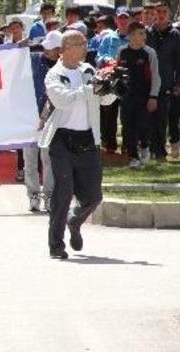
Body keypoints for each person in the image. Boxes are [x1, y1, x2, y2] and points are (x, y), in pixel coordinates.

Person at [40, 30, 116, 259]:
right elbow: (62, 100)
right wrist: (89, 89)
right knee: (63, 192)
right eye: (81, 43)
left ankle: (75, 221)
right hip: (61, 139)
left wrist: (111, 87)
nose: (85, 47)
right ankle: (56, 245)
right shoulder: (54, 74)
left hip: (87, 139)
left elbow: (104, 100)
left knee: (94, 197)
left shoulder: (88, 70)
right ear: (67, 48)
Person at [25, 31, 61, 212]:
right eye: (45, 46)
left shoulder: (64, 67)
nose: (46, 50)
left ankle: (48, 196)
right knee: (30, 160)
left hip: (53, 119)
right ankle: (32, 195)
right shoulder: (34, 59)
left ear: (60, 50)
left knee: (48, 159)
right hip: (30, 117)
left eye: (52, 48)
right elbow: (15, 58)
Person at [117, 22, 160, 169]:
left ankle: (145, 146)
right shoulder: (122, 51)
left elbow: (155, 76)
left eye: (144, 33)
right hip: (127, 97)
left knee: (143, 125)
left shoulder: (149, 53)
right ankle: (133, 157)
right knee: (128, 127)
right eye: (140, 33)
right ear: (131, 35)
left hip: (145, 96)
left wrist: (153, 96)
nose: (144, 36)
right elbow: (117, 73)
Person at [146, 0, 180, 162]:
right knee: (147, 118)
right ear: (154, 13)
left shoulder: (175, 35)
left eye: (164, 11)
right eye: (158, 11)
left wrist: (178, 83)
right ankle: (150, 148)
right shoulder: (147, 32)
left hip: (165, 81)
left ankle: (160, 152)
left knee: (162, 118)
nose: (160, 15)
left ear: (169, 12)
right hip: (147, 81)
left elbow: (179, 61)